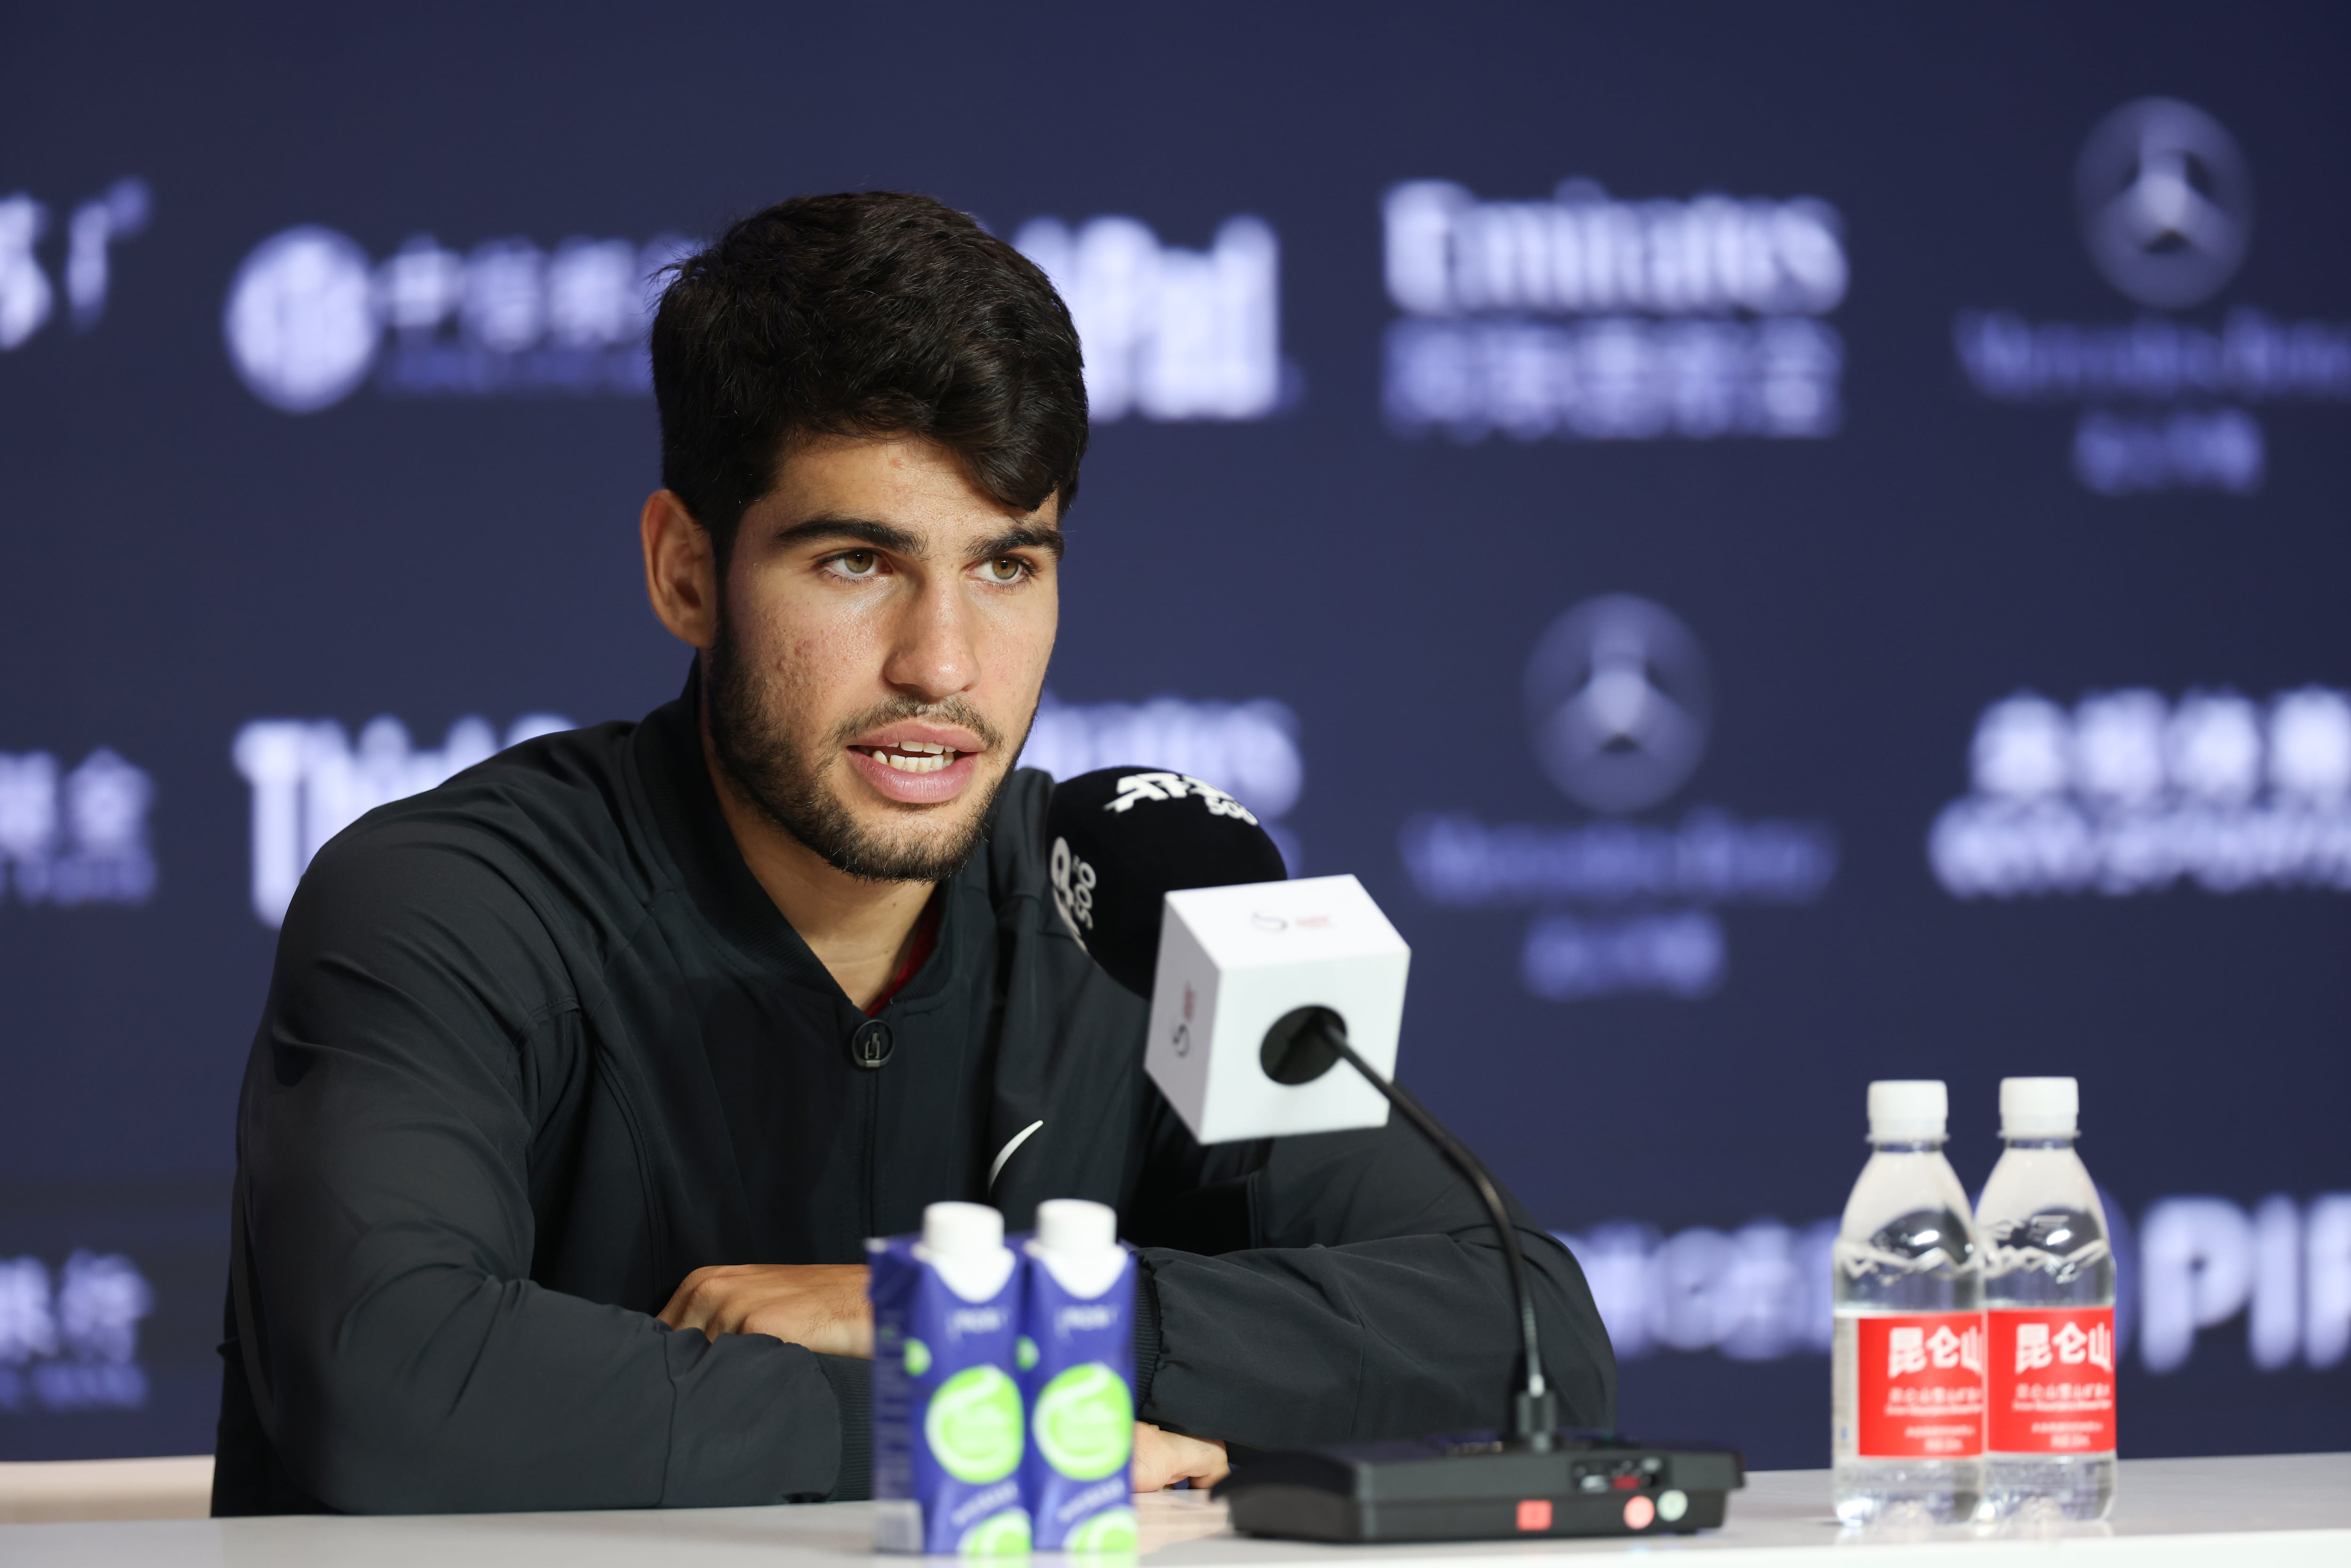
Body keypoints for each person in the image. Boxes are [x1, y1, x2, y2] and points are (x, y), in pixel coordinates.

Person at [212, 190, 1614, 1516]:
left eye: (1008, 566)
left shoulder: (1127, 898)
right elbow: (386, 1379)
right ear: (684, 571)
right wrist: (956, 1417)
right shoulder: (449, 902)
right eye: (856, 562)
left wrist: (957, 1311)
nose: (942, 664)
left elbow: (1519, 1323)